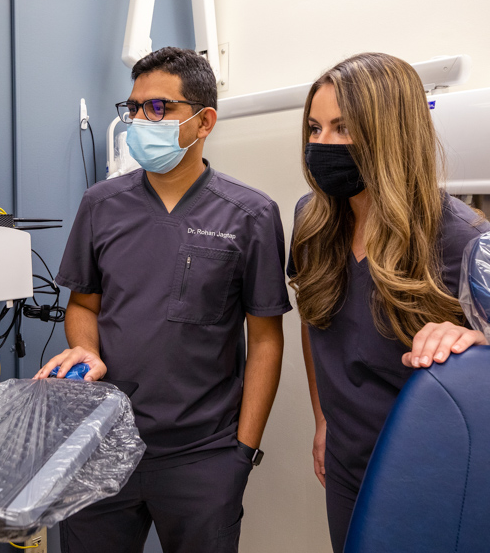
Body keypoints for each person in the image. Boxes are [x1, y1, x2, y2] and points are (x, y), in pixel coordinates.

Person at [34, 47, 292, 553]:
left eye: (157, 108)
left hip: (203, 456)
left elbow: (264, 341)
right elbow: (84, 305)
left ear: (204, 121)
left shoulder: (251, 214)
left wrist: (242, 453)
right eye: (133, 109)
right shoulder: (101, 205)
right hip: (100, 445)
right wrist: (85, 349)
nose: (138, 121)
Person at [287, 51, 490, 553]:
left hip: (428, 474)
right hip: (347, 462)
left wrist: (480, 342)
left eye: (342, 128)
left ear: (389, 132)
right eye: (314, 128)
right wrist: (323, 421)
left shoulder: (462, 239)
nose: (321, 144)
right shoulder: (312, 222)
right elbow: (314, 325)